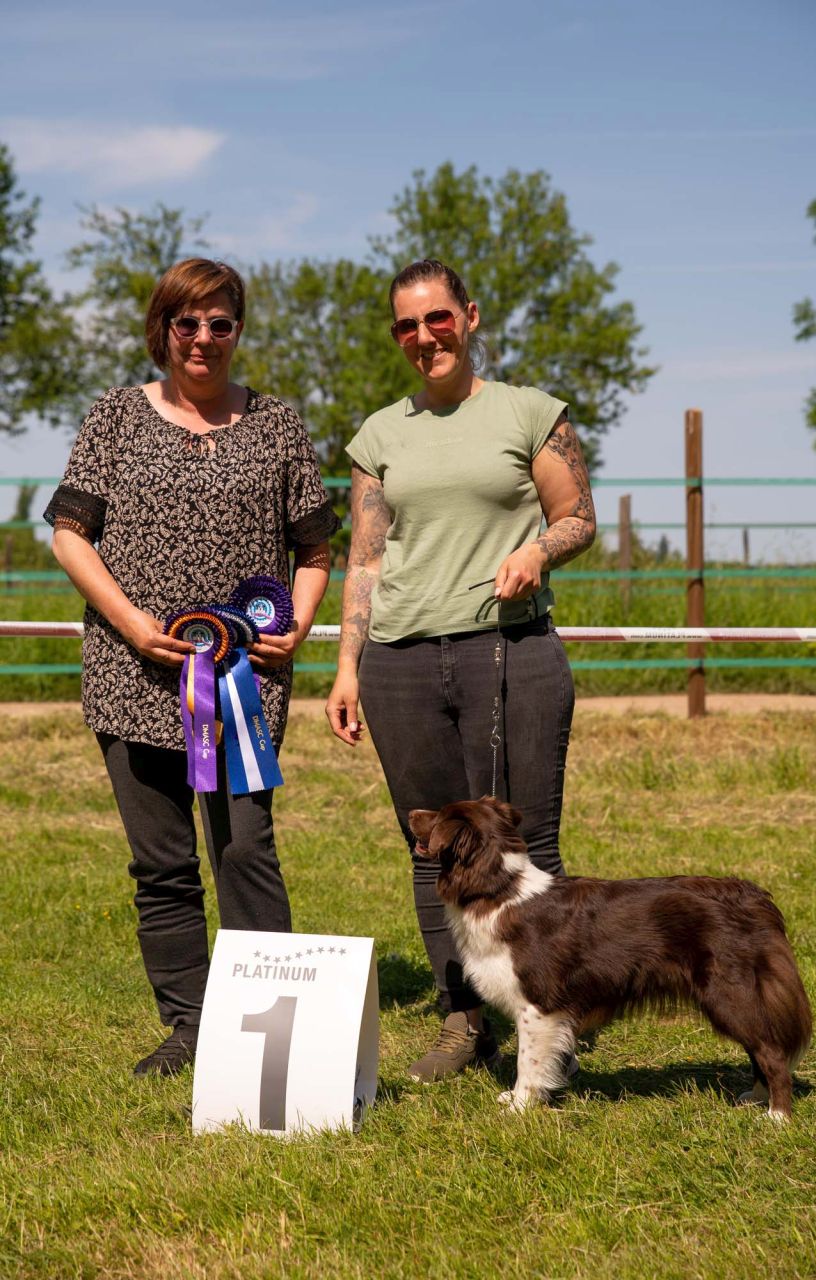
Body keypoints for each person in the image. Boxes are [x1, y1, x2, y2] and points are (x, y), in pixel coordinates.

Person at [46, 258, 340, 1077]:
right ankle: (189, 1028)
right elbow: (70, 532)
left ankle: (272, 1028)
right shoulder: (112, 416)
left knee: (246, 850)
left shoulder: (279, 426)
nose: (203, 338)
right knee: (162, 863)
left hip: (242, 683)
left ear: (238, 332)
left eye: (220, 323)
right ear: (162, 329)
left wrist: (302, 621)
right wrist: (134, 624)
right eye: (187, 323)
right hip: (130, 675)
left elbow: (314, 548)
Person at [325, 258, 596, 1082]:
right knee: (431, 848)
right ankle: (460, 1020)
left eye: (436, 319)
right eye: (406, 325)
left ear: (469, 317)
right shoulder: (379, 435)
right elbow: (365, 559)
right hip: (398, 661)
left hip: (511, 651)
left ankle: (547, 1015)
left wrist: (535, 552)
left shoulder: (529, 412)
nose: (423, 337)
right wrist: (345, 666)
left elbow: (576, 515)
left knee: (525, 842)